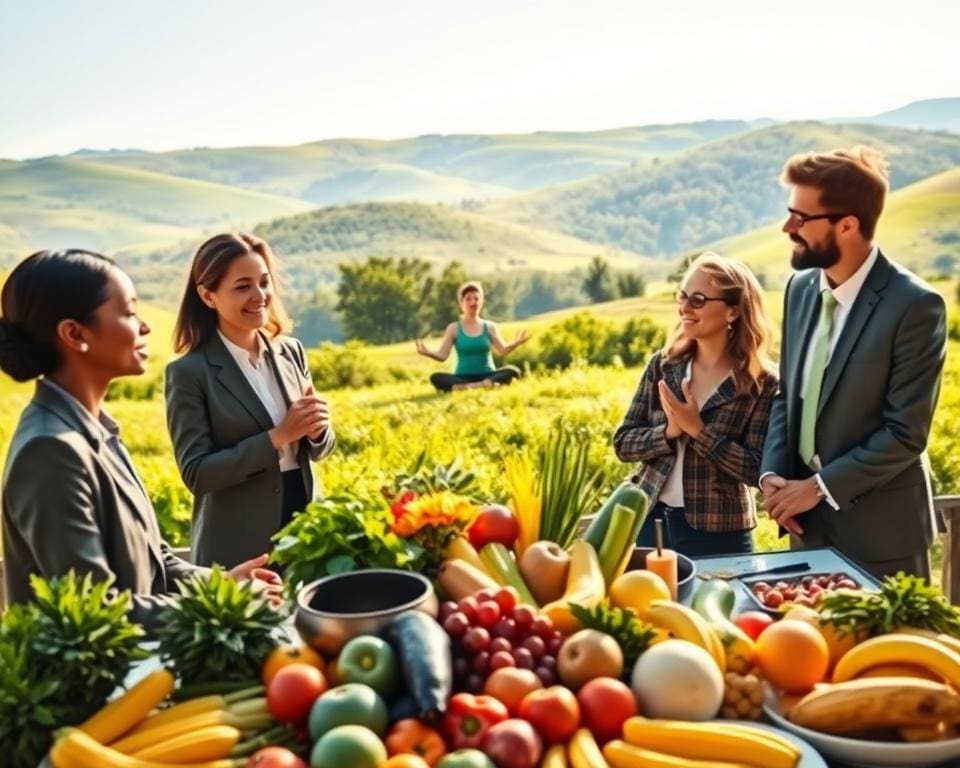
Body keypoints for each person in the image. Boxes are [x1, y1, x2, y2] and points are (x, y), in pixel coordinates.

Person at [0, 249, 281, 632]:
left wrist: (224, 584)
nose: (145, 327)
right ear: (75, 334)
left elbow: (155, 560)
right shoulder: (49, 451)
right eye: (130, 312)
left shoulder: (97, 430)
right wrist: (222, 604)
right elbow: (98, 611)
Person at [760, 146, 947, 581]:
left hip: (882, 540)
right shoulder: (799, 289)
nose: (787, 227)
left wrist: (819, 488)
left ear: (847, 225)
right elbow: (789, 394)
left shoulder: (915, 306)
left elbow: (905, 433)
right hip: (805, 530)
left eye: (800, 218)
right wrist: (774, 473)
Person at [166, 233, 335, 569]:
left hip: (306, 532)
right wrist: (277, 438)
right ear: (207, 296)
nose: (259, 296)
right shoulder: (189, 373)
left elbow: (319, 448)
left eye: (264, 282)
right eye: (242, 287)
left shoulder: (291, 352)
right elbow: (197, 473)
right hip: (237, 546)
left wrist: (318, 431)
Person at [613, 254, 778, 557]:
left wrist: (699, 432)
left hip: (720, 534)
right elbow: (623, 443)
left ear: (733, 312)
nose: (685, 308)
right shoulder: (663, 365)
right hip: (650, 523)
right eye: (683, 296)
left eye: (698, 300)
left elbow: (758, 469)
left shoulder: (762, 383)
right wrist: (668, 432)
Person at [416, 281, 530, 391]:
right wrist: (428, 353)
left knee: (513, 371)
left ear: (481, 302)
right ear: (461, 303)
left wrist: (515, 343)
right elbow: (443, 355)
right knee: (436, 377)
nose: (473, 302)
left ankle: (465, 387)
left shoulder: (490, 327)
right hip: (462, 377)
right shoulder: (453, 328)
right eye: (468, 299)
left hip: (487, 374)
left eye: (476, 298)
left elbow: (503, 350)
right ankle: (482, 385)